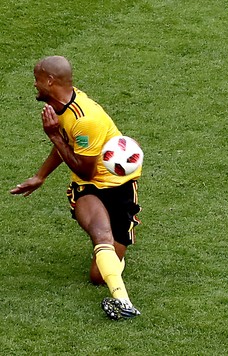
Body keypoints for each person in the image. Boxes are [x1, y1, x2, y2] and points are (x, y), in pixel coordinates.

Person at [10, 56, 142, 320]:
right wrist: (41, 176)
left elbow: (85, 167)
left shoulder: (86, 119)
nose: (34, 85)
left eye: (37, 79)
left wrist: (54, 135)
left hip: (118, 186)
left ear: (49, 81)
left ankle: (113, 261)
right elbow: (75, 157)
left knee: (97, 276)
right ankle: (125, 302)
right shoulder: (63, 107)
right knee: (100, 236)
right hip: (88, 188)